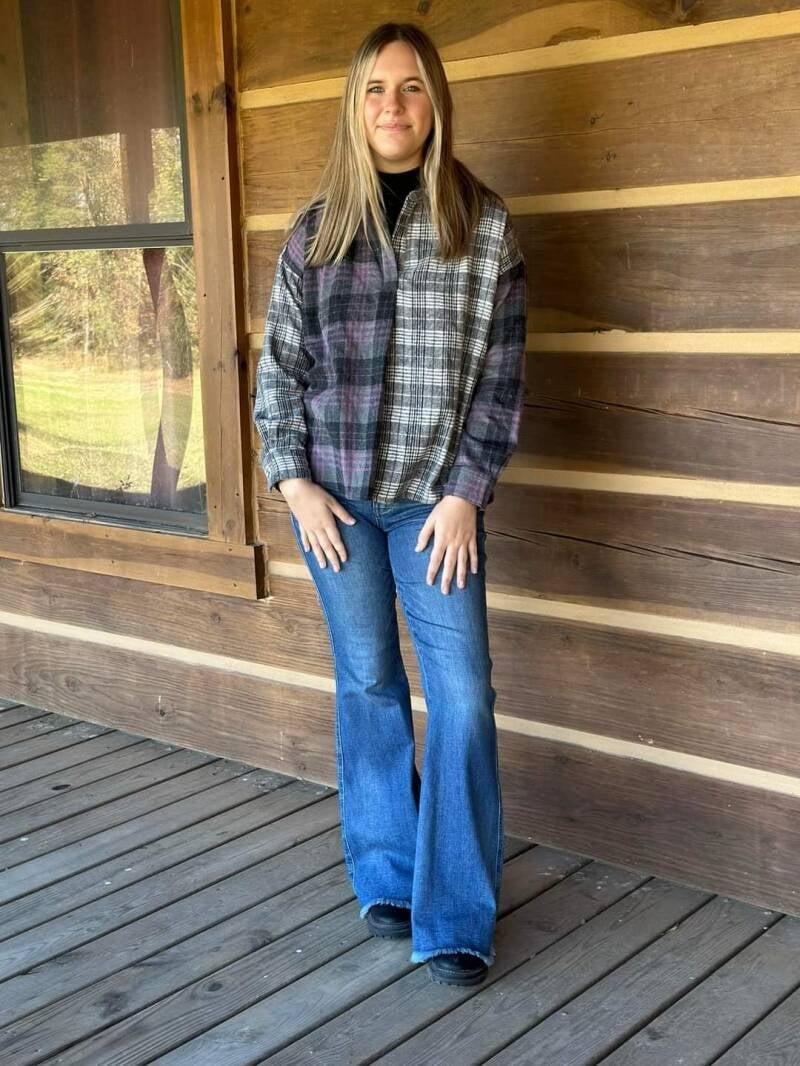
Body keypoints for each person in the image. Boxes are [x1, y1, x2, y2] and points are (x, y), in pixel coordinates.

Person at [253, 22, 527, 988]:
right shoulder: (317, 232)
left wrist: (466, 494)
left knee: (462, 693)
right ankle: (387, 873)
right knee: (368, 679)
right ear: (354, 106)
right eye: (375, 88)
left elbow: (500, 381)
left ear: (435, 100)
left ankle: (455, 916)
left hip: (432, 508)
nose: (393, 105)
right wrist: (293, 483)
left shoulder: (484, 228)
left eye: (410, 87)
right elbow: (279, 370)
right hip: (332, 504)